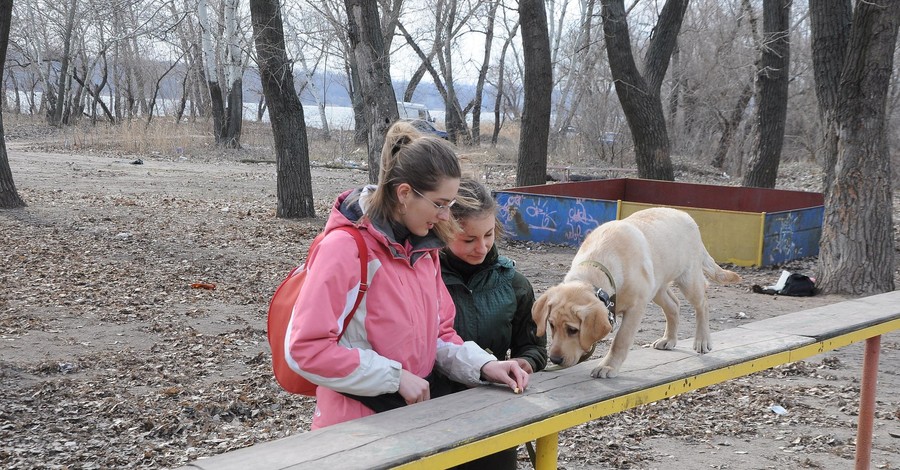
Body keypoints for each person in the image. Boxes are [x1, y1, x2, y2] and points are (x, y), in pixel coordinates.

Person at [287, 121, 529, 430]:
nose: (445, 216)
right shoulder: (345, 249)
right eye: (440, 204)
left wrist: (485, 364)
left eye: (450, 204)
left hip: (411, 422)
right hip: (354, 430)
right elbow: (306, 349)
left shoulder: (424, 251)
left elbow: (439, 336)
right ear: (404, 193)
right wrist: (395, 377)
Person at [439, 177, 548, 469]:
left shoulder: (515, 283)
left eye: (488, 235)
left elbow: (534, 346)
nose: (482, 247)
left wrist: (526, 362)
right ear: (443, 229)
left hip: (494, 420)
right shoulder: (424, 277)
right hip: (432, 417)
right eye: (469, 239)